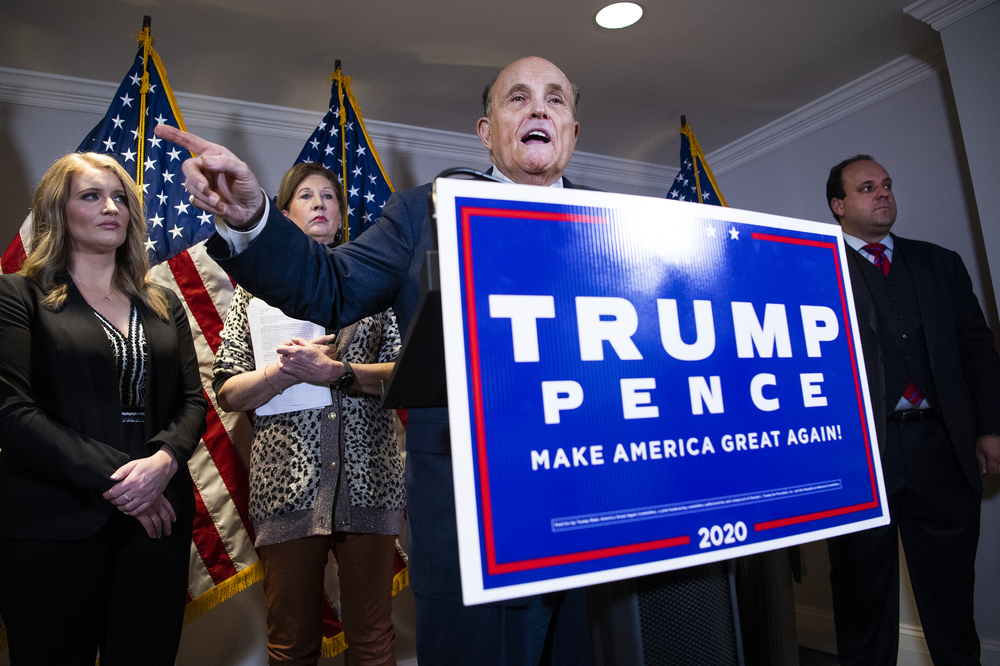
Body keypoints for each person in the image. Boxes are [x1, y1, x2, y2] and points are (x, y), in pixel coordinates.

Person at [156, 56, 593, 666]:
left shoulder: (621, 225)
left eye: (556, 99)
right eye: (517, 98)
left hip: (600, 499)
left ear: (572, 129)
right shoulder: (423, 214)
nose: (539, 108)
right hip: (476, 515)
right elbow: (332, 287)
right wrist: (254, 216)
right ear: (485, 131)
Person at [0, 152, 206, 665]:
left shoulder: (163, 304)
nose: (111, 207)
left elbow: (192, 402)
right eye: (91, 196)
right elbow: (13, 413)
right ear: (58, 211)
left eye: (120, 198)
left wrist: (161, 464)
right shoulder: (18, 295)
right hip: (54, 521)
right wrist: (126, 482)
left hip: (155, 522)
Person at [213, 162, 404, 666]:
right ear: (282, 215)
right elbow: (227, 390)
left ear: (340, 215)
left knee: (372, 641)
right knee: (291, 644)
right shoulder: (254, 292)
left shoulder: (376, 284)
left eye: (328, 195)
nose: (319, 202)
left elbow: (406, 372)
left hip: (372, 480)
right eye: (304, 195)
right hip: (286, 486)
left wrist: (337, 372)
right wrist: (285, 374)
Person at [824, 155, 1000, 665]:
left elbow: (977, 349)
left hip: (941, 450)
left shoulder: (940, 263)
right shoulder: (815, 267)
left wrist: (991, 427)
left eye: (886, 185)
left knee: (950, 605)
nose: (882, 193)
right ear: (839, 205)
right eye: (866, 188)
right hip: (861, 458)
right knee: (863, 604)